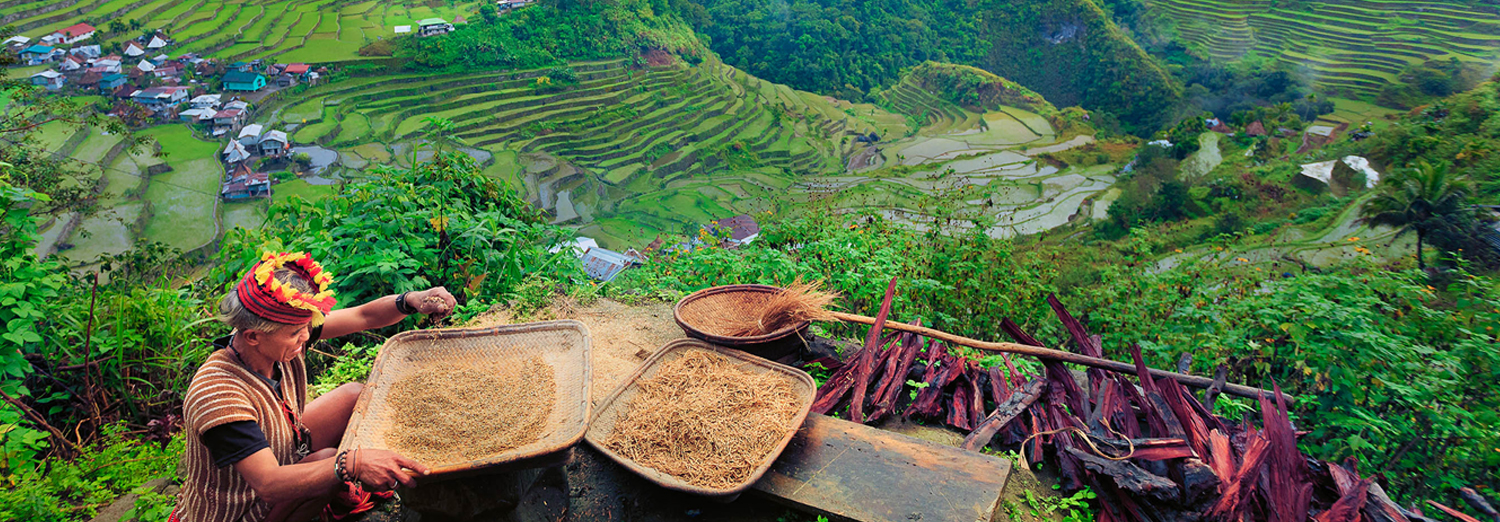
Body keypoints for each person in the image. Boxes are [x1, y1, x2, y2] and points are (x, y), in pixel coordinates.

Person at [173, 252, 457, 522]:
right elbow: (268, 484)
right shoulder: (219, 397)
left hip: (282, 451)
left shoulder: (282, 331)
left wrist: (411, 300)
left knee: (353, 397)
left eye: (307, 327)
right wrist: (351, 464)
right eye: (296, 333)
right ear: (252, 336)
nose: (306, 337)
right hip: (242, 508)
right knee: (330, 461)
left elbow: (364, 317)